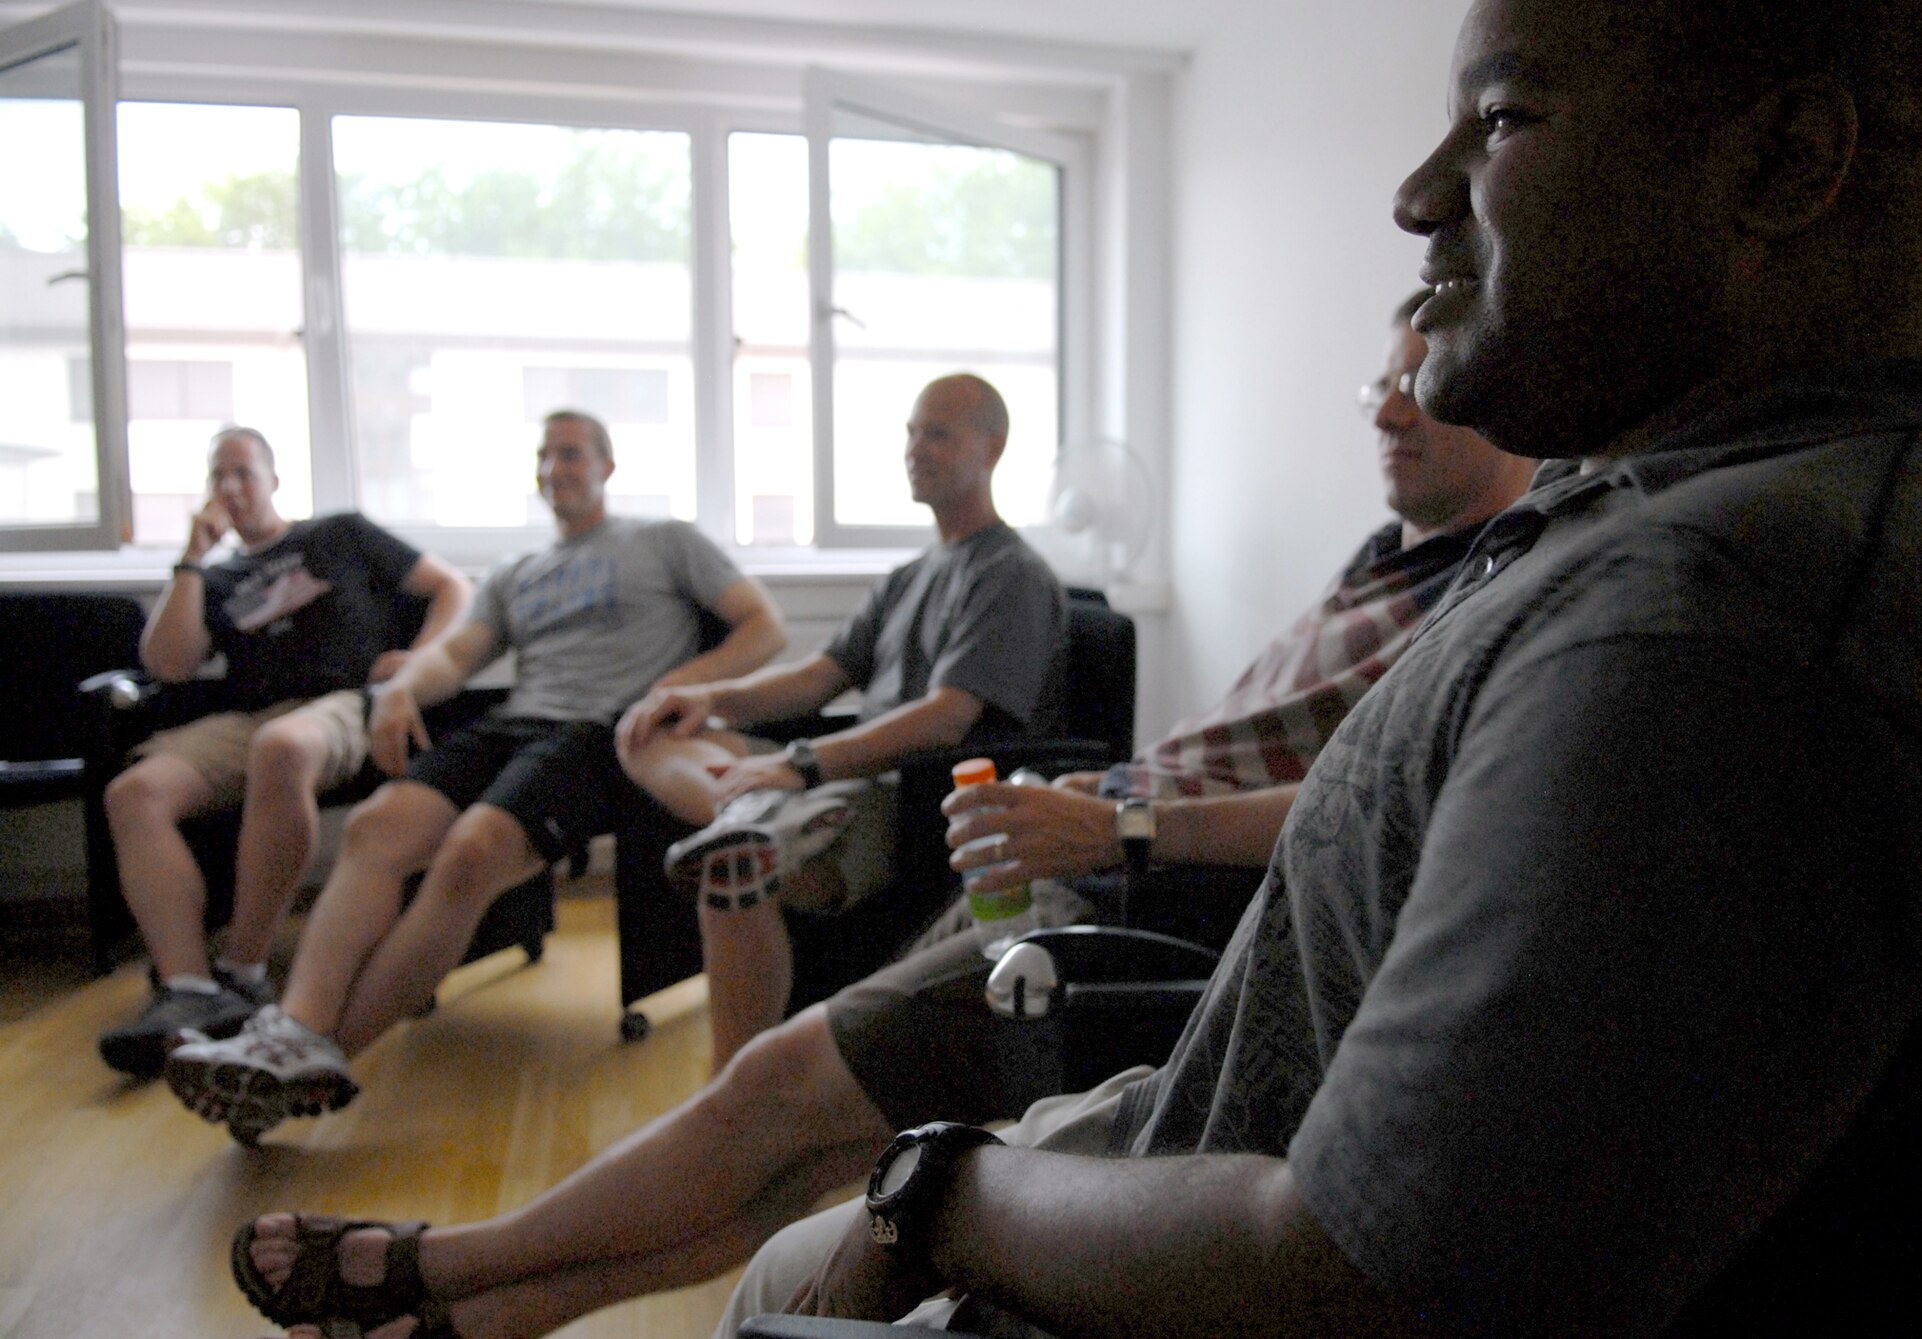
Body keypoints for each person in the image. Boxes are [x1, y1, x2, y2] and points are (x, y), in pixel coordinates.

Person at [710, 0, 1922, 1334]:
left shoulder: (1709, 626)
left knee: (772, 1279)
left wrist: (946, 1187)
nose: (1415, 195)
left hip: (1163, 1251)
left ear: (1785, 162)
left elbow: (1358, 1275)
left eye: (1502, 120)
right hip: (1169, 1118)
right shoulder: (1680, 521)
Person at [219, 311, 1535, 1339]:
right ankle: (499, 1307)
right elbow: (815, 674)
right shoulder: (1385, 556)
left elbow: (1365, 810)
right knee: (821, 1131)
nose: (1388, 403)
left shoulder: (1499, 596)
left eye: (1426, 375)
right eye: (1380, 377)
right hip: (1089, 833)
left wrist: (1110, 833)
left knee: (784, 1091)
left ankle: (453, 1262)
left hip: (1092, 867)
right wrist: (715, 700)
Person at [165, 409, 786, 1143]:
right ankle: (292, 1029)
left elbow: (762, 627)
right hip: (515, 723)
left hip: (601, 731)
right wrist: (398, 692)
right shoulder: (517, 573)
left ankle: (321, 1057)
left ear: (608, 467)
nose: (557, 468)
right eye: (546, 456)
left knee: (471, 850)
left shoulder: (663, 540)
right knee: (375, 828)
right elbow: (456, 658)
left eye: (573, 454)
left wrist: (680, 687)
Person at [614, 372, 1067, 1064]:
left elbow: (946, 720)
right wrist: (712, 700)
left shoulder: (1010, 575)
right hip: (835, 773)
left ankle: (734, 1098)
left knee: (731, 868)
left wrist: (798, 764)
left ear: (994, 446)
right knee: (647, 736)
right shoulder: (909, 576)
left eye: (937, 432)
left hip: (906, 794)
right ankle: (756, 814)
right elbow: (819, 676)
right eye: (911, 432)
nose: (916, 448)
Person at [97, 427, 471, 1080]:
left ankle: (245, 969)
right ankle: (191, 988)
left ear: (275, 479)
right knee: (133, 792)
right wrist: (190, 560)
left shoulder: (339, 533)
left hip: (343, 704)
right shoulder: (217, 579)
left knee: (282, 745)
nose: (233, 488)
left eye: (244, 472)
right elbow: (170, 664)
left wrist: (418, 660)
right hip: (247, 717)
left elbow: (453, 588)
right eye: (220, 477)